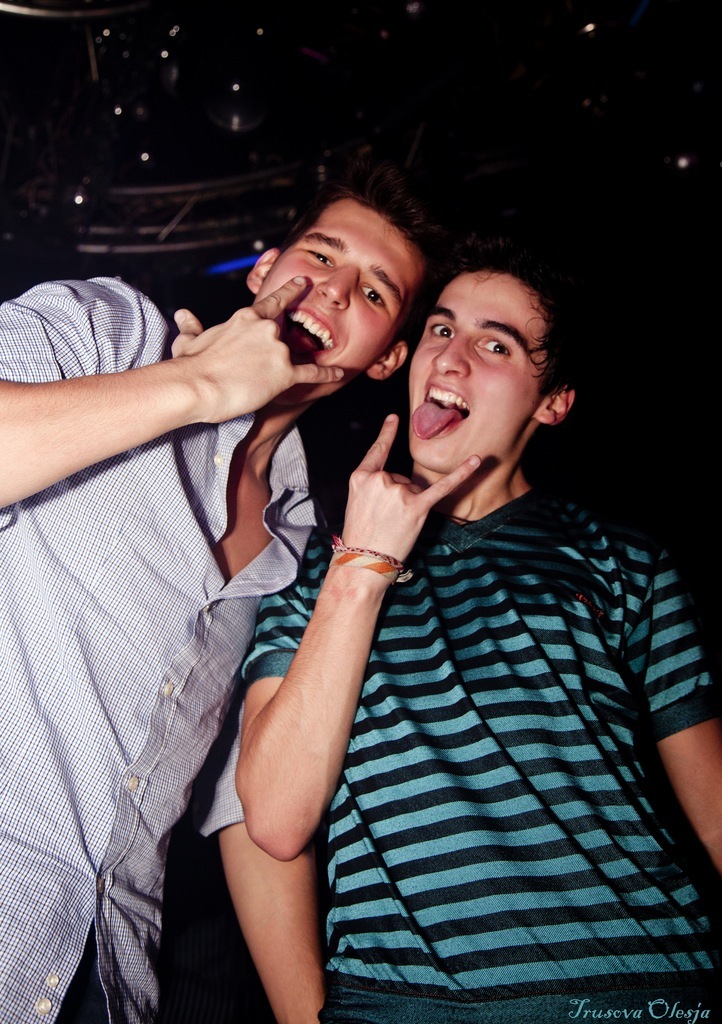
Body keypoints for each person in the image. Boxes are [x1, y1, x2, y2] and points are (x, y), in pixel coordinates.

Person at [0, 154, 448, 1024]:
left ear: (389, 356)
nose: (332, 291)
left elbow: (243, 803)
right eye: (320, 255)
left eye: (373, 292)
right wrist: (200, 386)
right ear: (264, 268)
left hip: (107, 972)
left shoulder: (299, 542)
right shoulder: (108, 332)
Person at [235, 231, 722, 1022]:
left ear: (553, 401)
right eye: (440, 328)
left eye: (495, 345)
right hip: (400, 1003)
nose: (450, 358)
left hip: (642, 990)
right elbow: (276, 819)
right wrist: (360, 566)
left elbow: (714, 817)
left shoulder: (624, 559)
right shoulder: (309, 572)